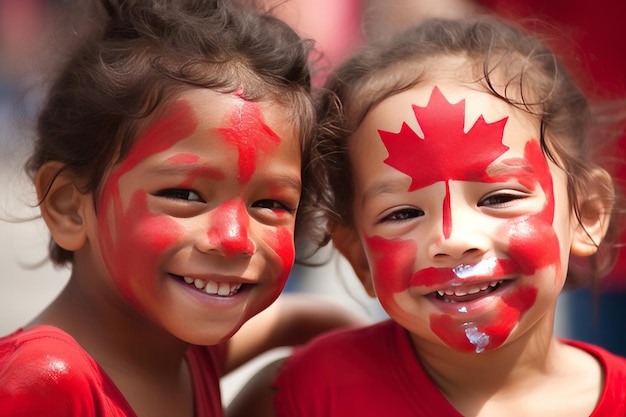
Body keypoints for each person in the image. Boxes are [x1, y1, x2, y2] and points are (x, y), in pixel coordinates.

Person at [234, 15, 626, 417]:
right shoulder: (304, 396)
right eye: (402, 213)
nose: (454, 239)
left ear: (587, 212)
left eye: (499, 198)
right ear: (357, 258)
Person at [0, 0, 368, 416]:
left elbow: (308, 320)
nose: (234, 239)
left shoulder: (184, 350)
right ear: (69, 206)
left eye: (270, 204)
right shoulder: (46, 382)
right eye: (185, 195)